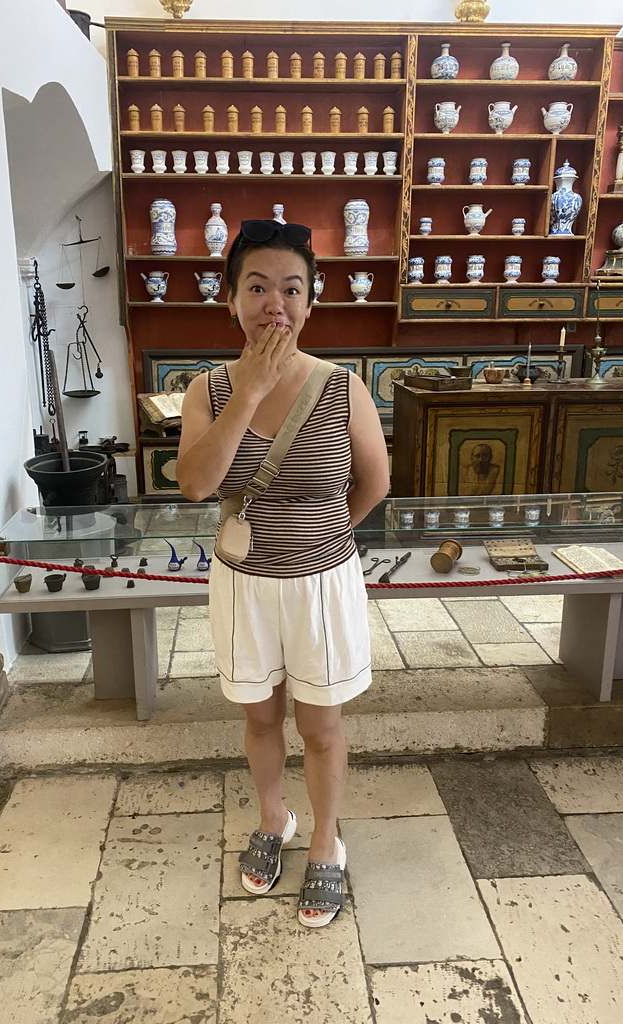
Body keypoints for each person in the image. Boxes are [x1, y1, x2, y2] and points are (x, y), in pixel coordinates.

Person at [177, 219, 389, 928]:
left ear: (311, 300)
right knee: (260, 716)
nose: (276, 303)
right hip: (242, 584)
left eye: (291, 289)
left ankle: (327, 842)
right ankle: (276, 819)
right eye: (258, 287)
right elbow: (196, 485)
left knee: (321, 726)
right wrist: (251, 388)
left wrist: (321, 542)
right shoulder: (207, 389)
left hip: (321, 586)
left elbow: (374, 483)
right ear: (229, 298)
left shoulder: (341, 386)